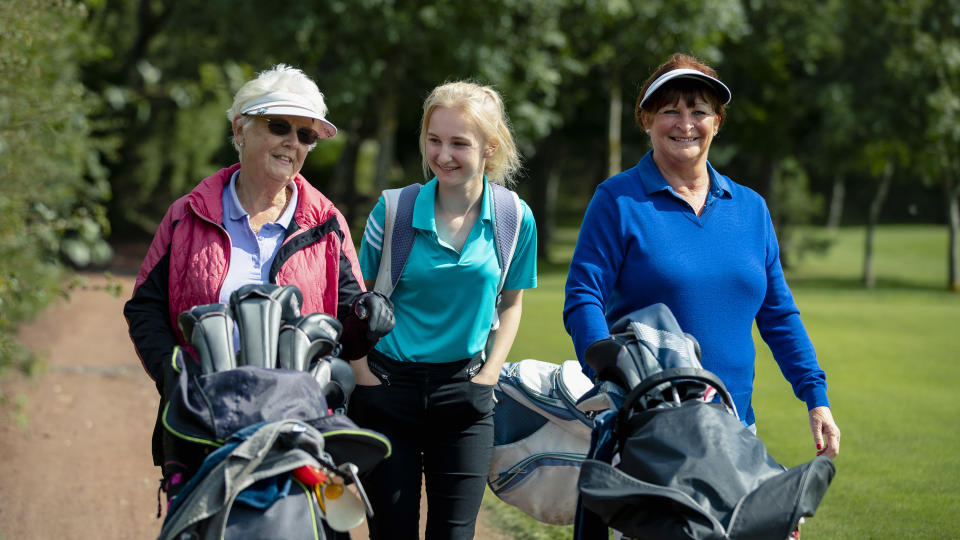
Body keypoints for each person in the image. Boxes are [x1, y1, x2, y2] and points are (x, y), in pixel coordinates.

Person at [123, 64, 395, 501]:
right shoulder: (186, 213)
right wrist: (174, 375)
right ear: (241, 129)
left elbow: (345, 323)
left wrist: (366, 318)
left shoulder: (327, 222)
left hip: (300, 421)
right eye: (279, 126)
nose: (293, 142)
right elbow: (145, 308)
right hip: (205, 417)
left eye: (306, 135)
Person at [563, 53, 841, 459]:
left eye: (699, 111)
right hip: (647, 426)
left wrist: (816, 397)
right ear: (645, 119)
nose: (686, 123)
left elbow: (779, 315)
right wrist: (608, 374)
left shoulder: (750, 208)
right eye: (670, 111)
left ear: (717, 122)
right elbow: (583, 297)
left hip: (736, 425)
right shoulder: (617, 200)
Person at [348, 81, 538, 539]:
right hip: (388, 389)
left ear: (490, 147)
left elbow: (511, 304)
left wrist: (489, 374)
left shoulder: (515, 217)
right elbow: (354, 301)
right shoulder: (391, 211)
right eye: (434, 140)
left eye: (459, 143)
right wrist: (363, 378)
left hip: (466, 394)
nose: (443, 154)